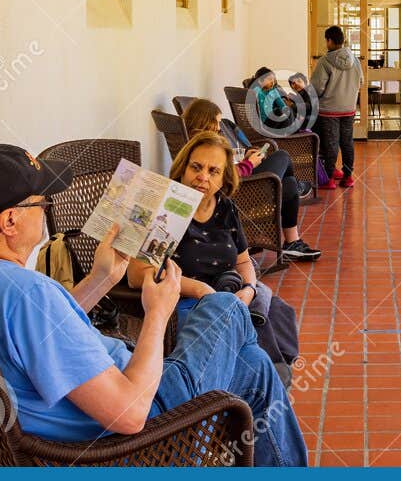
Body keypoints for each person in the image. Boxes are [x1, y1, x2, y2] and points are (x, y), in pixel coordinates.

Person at [0, 142, 306, 466]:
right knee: (225, 307)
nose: (48, 210)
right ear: (10, 221)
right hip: (130, 432)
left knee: (253, 368)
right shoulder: (26, 293)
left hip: (73, 416)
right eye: (42, 203)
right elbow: (131, 414)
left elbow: (43, 332)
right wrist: (157, 312)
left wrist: (102, 279)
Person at [127, 132, 302, 381]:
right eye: (196, 167)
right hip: (182, 304)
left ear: (224, 178)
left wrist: (250, 288)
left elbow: (243, 260)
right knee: (250, 355)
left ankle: (260, 391)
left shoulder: (224, 206)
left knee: (268, 334)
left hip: (226, 296)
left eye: (213, 171)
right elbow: (137, 275)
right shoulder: (168, 207)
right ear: (182, 168)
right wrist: (199, 290)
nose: (203, 177)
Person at [181, 97, 320, 262]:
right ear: (206, 122)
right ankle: (298, 189)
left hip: (243, 186)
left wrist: (244, 157)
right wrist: (249, 163)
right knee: (282, 156)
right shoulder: (204, 149)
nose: (219, 128)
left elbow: (223, 167)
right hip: (242, 193)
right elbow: (224, 178)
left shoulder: (199, 145)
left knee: (288, 185)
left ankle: (292, 242)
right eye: (217, 123)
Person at [311, 25, 362, 190]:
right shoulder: (354, 60)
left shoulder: (325, 61)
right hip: (349, 108)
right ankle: (348, 177)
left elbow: (317, 88)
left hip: (329, 110)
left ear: (330, 40)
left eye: (326, 40)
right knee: (347, 142)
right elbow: (360, 82)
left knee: (330, 143)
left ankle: (328, 179)